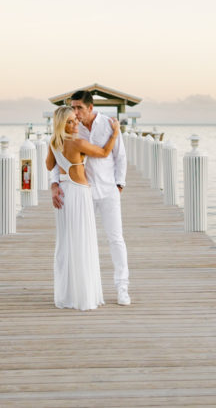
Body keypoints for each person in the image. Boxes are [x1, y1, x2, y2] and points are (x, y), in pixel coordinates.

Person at [50, 90, 130, 305]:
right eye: (72, 108)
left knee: (115, 238)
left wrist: (119, 185)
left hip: (108, 191)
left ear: (90, 108)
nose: (75, 113)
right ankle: (83, 289)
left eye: (79, 108)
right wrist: (54, 185)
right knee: (80, 241)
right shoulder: (70, 128)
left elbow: (119, 156)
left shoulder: (108, 125)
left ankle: (122, 288)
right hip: (82, 193)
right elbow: (56, 161)